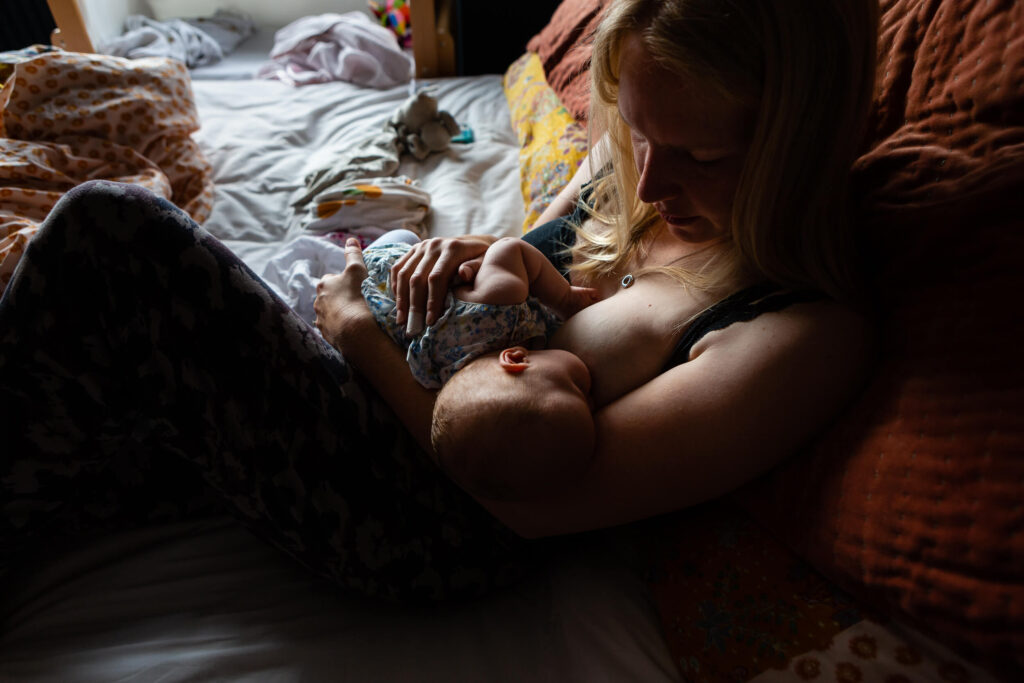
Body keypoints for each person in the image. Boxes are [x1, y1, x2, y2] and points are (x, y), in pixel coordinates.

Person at [1, 0, 879, 603]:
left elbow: (532, 507)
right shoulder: (646, 167)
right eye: (639, 133)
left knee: (112, 232)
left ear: (793, 140)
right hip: (375, 407)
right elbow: (535, 295)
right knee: (100, 385)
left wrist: (354, 330)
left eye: (702, 157)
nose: (650, 179)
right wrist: (487, 255)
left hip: (416, 518)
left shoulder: (800, 334)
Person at [356, 233, 598, 500]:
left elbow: (511, 249)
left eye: (578, 390)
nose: (593, 398)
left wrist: (565, 299)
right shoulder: (446, 381)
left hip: (388, 273)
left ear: (516, 359)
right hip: (395, 285)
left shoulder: (498, 308)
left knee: (406, 236)